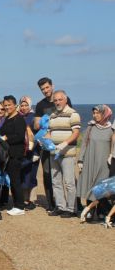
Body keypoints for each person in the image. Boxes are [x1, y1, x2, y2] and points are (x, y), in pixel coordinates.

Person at [33, 77, 72, 211]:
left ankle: (72, 203)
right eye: (42, 89)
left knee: (67, 176)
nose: (45, 90)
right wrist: (43, 122)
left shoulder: (63, 100)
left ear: (52, 86)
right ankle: (52, 204)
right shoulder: (40, 105)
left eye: (47, 87)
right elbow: (36, 125)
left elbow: (70, 118)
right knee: (48, 173)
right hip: (46, 144)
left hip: (62, 143)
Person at [47, 90, 81, 218]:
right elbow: (50, 133)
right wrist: (45, 141)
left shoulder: (73, 114)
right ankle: (60, 206)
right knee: (56, 181)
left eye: (60, 99)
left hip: (67, 153)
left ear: (65, 100)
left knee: (69, 182)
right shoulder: (52, 115)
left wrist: (65, 143)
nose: (57, 102)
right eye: (55, 100)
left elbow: (76, 133)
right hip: (53, 153)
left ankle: (71, 208)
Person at [77, 105, 113, 221]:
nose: (95, 115)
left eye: (98, 113)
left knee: (101, 187)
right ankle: (90, 211)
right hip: (90, 160)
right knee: (90, 185)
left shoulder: (111, 129)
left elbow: (113, 146)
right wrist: (80, 160)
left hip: (104, 163)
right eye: (94, 113)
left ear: (105, 114)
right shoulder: (91, 127)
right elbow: (84, 144)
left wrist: (111, 156)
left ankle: (101, 211)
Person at [0, 95, 27, 216]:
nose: (7, 107)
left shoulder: (19, 119)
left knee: (15, 180)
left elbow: (20, 136)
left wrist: (6, 138)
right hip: (8, 154)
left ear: (15, 105)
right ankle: (16, 204)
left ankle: (20, 206)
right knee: (13, 180)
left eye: (9, 105)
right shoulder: (8, 118)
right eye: (5, 105)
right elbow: (1, 132)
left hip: (16, 154)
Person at [19, 96, 38, 210]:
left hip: (33, 151)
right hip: (22, 151)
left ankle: (32, 199)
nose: (24, 107)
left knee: (31, 175)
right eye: (22, 105)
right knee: (23, 174)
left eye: (26, 105)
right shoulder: (19, 117)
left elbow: (38, 134)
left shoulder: (34, 117)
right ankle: (24, 199)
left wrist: (36, 151)